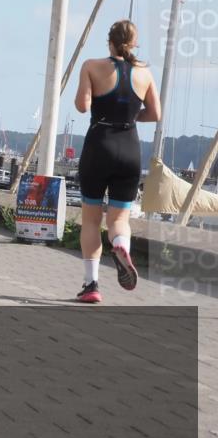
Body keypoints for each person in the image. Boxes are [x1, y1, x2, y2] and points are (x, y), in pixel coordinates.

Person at [73, 20, 160, 304]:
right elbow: (155, 113)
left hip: (99, 144)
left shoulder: (91, 66)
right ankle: (121, 245)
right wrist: (131, 116)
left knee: (91, 218)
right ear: (134, 43)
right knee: (120, 219)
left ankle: (92, 284)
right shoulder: (145, 72)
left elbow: (82, 105)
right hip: (129, 148)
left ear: (109, 42)